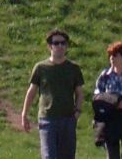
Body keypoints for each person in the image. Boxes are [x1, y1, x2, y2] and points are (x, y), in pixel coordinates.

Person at [21, 28, 83, 159]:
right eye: (56, 43)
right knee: (49, 156)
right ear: (50, 46)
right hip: (47, 119)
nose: (60, 46)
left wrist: (77, 111)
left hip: (68, 119)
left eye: (63, 43)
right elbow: (32, 91)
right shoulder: (41, 68)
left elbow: (79, 92)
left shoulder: (73, 69)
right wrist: (24, 114)